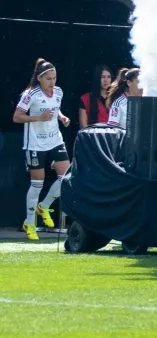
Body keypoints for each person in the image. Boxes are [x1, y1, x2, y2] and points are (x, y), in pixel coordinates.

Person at [12, 59, 71, 241]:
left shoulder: (58, 91)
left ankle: (44, 206)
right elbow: (17, 117)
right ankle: (30, 223)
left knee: (66, 177)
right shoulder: (31, 94)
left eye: (54, 78)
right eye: (48, 79)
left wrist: (61, 117)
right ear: (40, 79)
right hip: (35, 143)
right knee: (37, 184)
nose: (52, 82)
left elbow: (56, 108)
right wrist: (39, 117)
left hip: (55, 139)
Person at [78, 63, 112, 128]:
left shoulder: (116, 98)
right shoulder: (85, 98)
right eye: (103, 77)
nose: (106, 80)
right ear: (97, 78)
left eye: (108, 77)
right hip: (93, 136)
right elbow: (83, 127)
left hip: (113, 136)